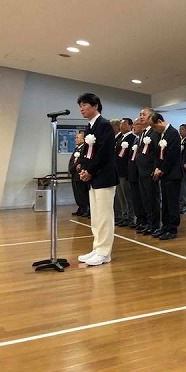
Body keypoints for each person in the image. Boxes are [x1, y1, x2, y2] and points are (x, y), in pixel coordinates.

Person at [76, 93, 119, 266]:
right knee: (96, 216)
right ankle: (97, 247)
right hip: (93, 176)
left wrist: (90, 171)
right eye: (80, 106)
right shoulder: (90, 126)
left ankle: (104, 252)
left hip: (104, 175)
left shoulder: (104, 125)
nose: (82, 108)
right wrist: (83, 168)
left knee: (104, 216)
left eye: (85, 105)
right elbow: (87, 151)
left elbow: (104, 153)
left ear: (95, 106)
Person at [151, 113, 182, 240]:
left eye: (154, 127)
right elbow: (157, 153)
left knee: (172, 202)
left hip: (172, 173)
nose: (154, 130)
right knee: (165, 203)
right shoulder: (160, 134)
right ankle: (165, 226)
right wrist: (157, 167)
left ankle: (172, 228)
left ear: (160, 121)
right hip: (164, 174)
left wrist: (162, 169)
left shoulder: (173, 133)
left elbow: (172, 155)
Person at [135, 107, 160, 235]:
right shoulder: (143, 133)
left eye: (144, 114)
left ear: (151, 116)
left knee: (152, 199)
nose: (141, 117)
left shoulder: (154, 132)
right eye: (140, 114)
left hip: (150, 171)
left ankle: (154, 225)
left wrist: (155, 168)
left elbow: (156, 152)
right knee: (145, 199)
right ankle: (149, 223)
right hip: (141, 171)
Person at [114, 118, 136, 227]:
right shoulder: (121, 138)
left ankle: (131, 217)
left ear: (130, 126)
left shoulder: (132, 138)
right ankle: (124, 216)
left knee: (128, 196)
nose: (121, 126)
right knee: (121, 196)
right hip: (118, 171)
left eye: (124, 124)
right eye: (121, 124)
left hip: (125, 171)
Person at [68, 132, 89, 217]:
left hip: (79, 173)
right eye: (75, 138)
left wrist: (75, 167)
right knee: (77, 193)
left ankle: (85, 209)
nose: (75, 139)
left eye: (77, 137)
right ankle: (80, 207)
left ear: (83, 139)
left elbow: (81, 161)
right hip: (74, 174)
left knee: (82, 193)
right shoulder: (77, 149)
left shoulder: (84, 148)